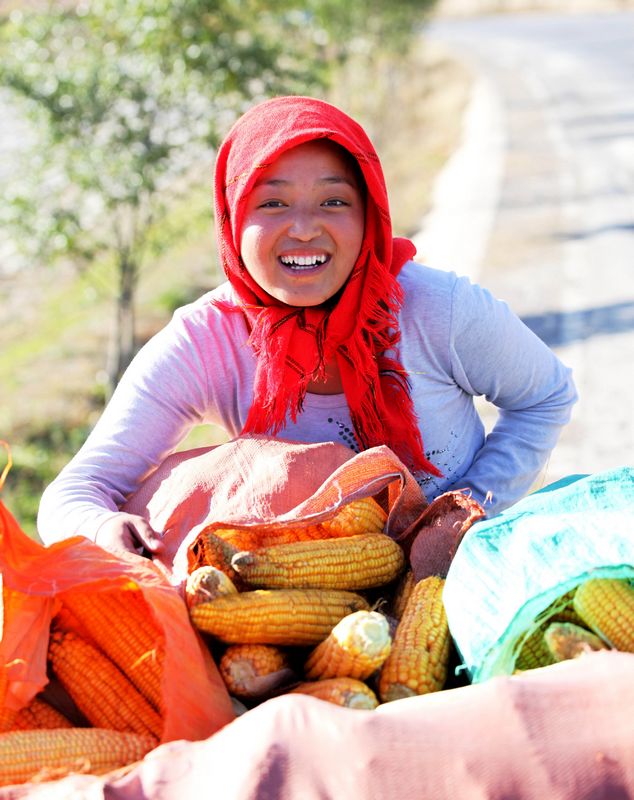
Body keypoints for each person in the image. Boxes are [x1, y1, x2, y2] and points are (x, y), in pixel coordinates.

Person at [37, 95, 577, 555]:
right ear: (231, 218)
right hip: (301, 589)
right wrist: (103, 527)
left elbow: (546, 395)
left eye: (333, 200)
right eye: (272, 202)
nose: (303, 229)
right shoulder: (205, 342)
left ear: (371, 214)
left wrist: (466, 510)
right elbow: (77, 490)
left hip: (455, 569)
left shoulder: (438, 309)